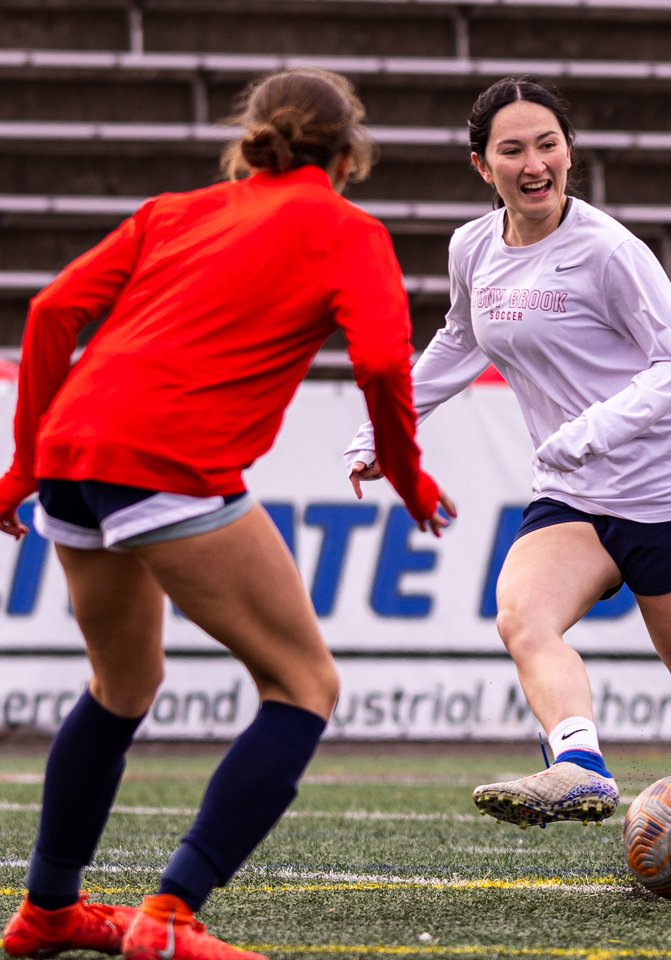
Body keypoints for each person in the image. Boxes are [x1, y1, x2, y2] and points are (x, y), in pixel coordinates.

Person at [0, 68, 453, 960]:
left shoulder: (176, 210)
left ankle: (48, 911)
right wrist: (406, 475)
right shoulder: (349, 232)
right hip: (167, 462)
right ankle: (170, 916)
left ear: (251, 139)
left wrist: (22, 465)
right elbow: (383, 365)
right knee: (304, 686)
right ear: (351, 153)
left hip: (72, 453)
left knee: (121, 687)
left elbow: (53, 311)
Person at [344, 74, 671, 895]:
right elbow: (456, 346)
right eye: (513, 150)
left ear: (569, 152)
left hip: (669, 492)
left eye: (548, 145)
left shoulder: (610, 249)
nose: (535, 163)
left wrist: (588, 432)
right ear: (480, 165)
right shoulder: (472, 248)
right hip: (573, 494)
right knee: (521, 616)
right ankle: (579, 762)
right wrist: (380, 432)